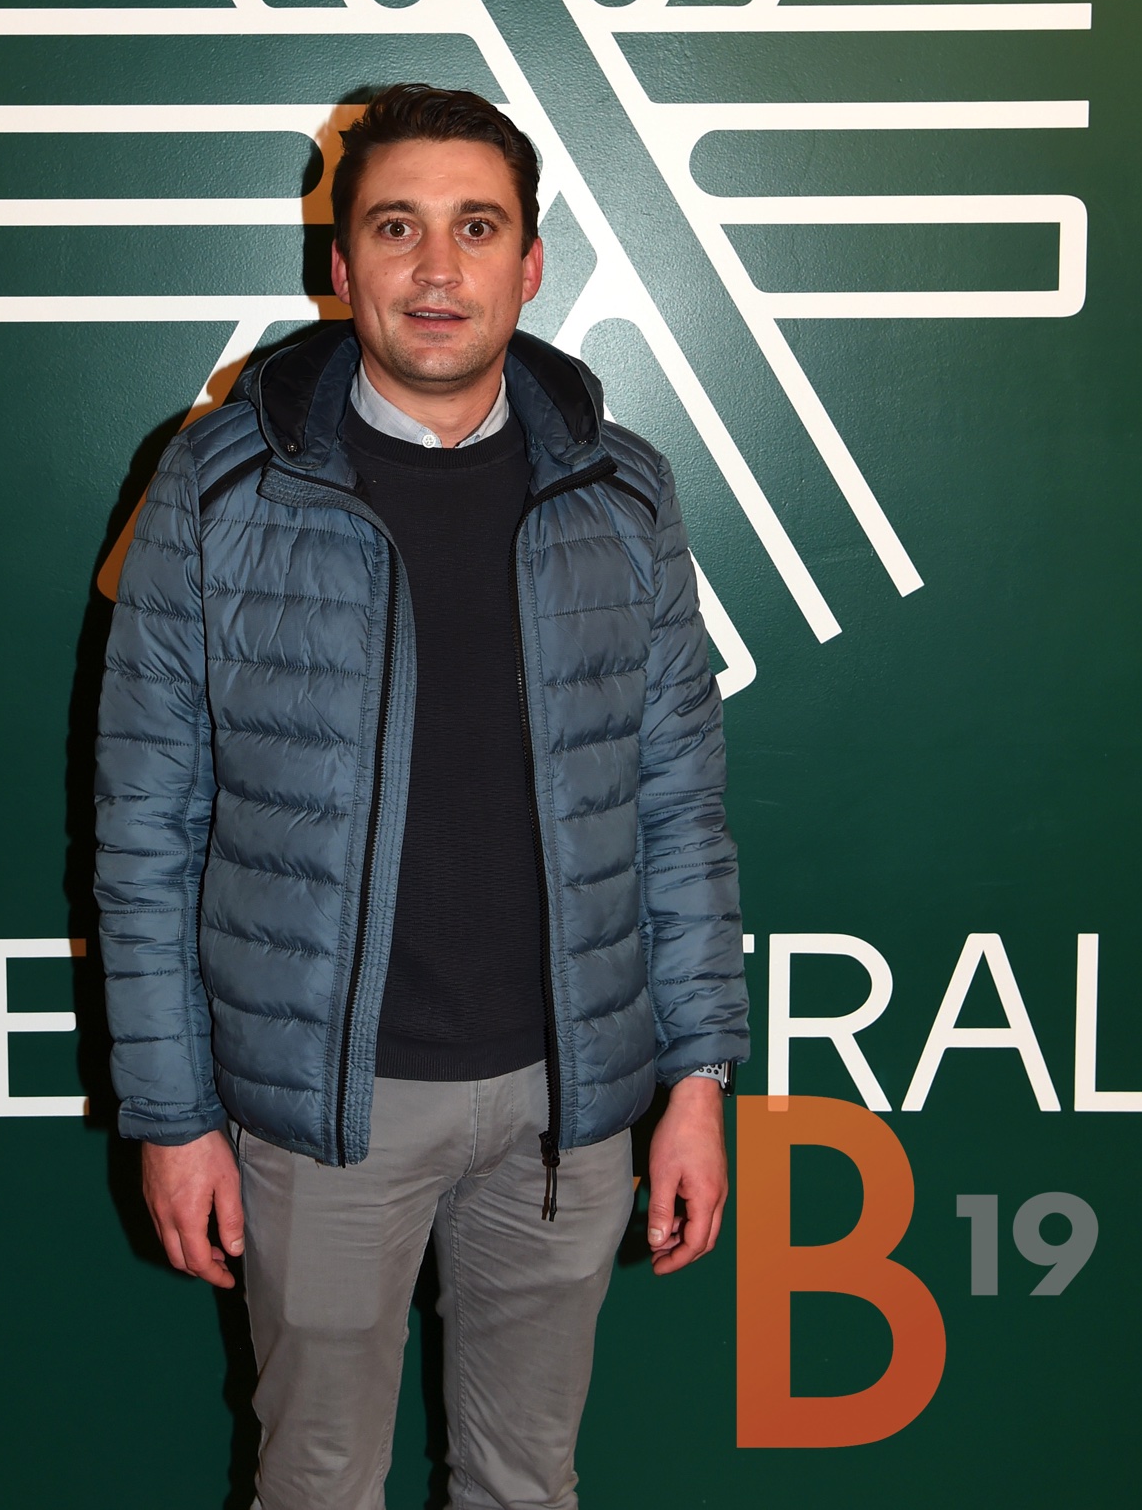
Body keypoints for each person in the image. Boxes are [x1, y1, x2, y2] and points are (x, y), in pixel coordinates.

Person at [94, 83, 748, 1510]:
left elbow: (677, 810)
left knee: (528, 1483)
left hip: (569, 1101)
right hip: (322, 1108)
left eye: (477, 228)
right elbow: (146, 828)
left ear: (533, 261)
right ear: (340, 264)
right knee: (318, 1481)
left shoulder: (625, 493)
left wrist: (698, 1081)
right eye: (398, 227)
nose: (438, 269)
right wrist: (172, 1115)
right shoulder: (215, 488)